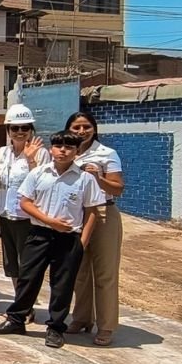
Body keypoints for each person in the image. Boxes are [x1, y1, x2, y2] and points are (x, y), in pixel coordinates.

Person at [0, 131, 106, 348]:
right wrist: (50, 221)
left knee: (62, 284)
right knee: (28, 278)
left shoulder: (85, 179)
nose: (63, 151)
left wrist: (82, 242)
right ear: (51, 149)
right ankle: (16, 319)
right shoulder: (39, 173)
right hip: (39, 234)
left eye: (69, 147)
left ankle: (55, 328)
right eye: (59, 146)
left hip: (69, 239)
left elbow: (92, 212)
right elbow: (25, 202)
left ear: (77, 151)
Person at [66, 111, 125, 347]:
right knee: (79, 270)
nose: (82, 131)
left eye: (86, 127)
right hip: (76, 214)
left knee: (105, 272)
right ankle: (81, 319)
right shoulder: (67, 152)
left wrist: (98, 178)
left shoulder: (106, 153)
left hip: (103, 214)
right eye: (76, 127)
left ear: (94, 129)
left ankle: (106, 326)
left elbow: (118, 188)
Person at [0, 104, 49, 322]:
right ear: (8, 130)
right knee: (12, 265)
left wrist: (31, 160)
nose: (20, 132)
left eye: (25, 127)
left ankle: (26, 307)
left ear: (31, 129)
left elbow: (43, 185)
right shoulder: (3, 153)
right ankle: (20, 304)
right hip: (5, 214)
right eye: (15, 128)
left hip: (27, 218)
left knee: (27, 265)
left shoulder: (41, 153)